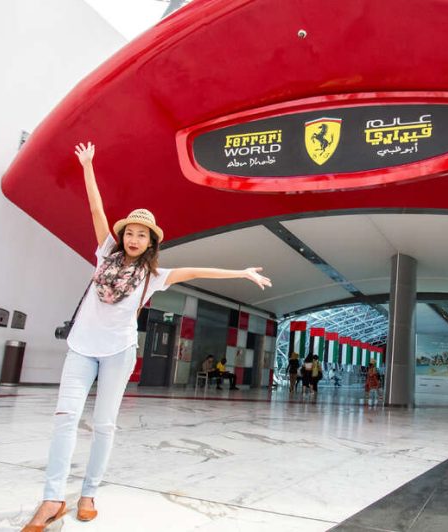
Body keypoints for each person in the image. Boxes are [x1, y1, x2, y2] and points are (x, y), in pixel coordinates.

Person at [23, 142, 272, 531]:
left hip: (119, 353)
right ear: (122, 236)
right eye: (130, 232)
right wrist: (88, 166)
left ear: (151, 242)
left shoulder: (154, 276)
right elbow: (95, 209)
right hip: (81, 349)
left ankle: (89, 492)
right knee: (65, 418)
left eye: (142, 235)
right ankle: (52, 498)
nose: (134, 238)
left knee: (104, 424)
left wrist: (241, 273)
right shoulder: (105, 253)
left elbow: (197, 271)